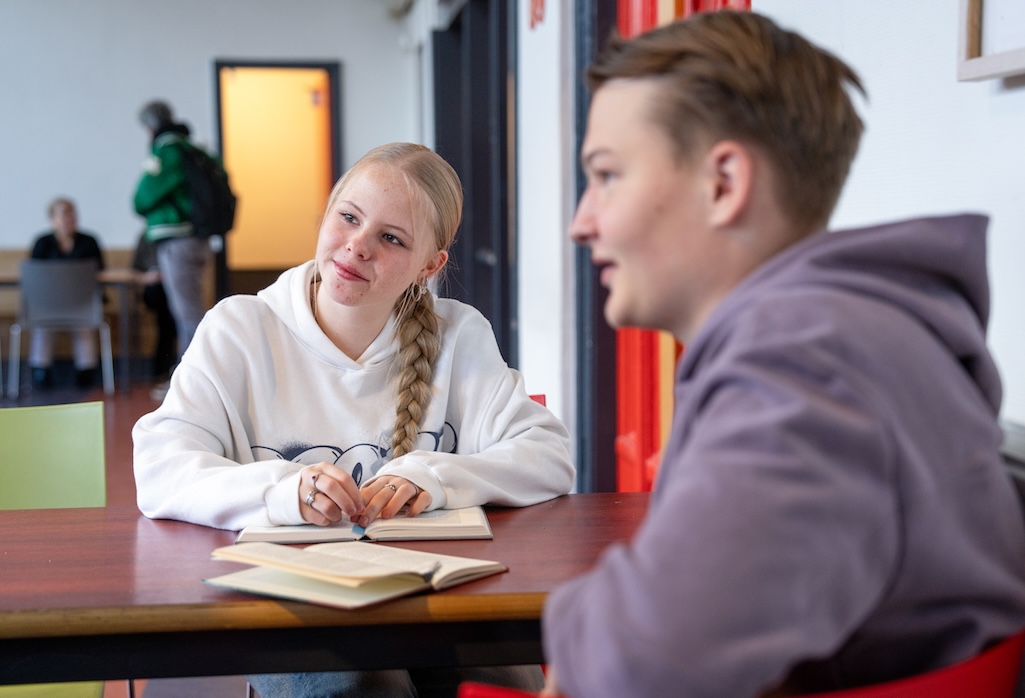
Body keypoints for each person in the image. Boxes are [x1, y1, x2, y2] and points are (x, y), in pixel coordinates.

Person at [541, 11, 1025, 698]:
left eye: (606, 175)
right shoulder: (857, 331)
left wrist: (579, 631)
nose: (581, 222)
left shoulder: (800, 361)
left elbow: (641, 663)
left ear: (723, 184)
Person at [133, 142, 575, 697]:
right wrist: (283, 491)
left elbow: (547, 453)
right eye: (349, 217)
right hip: (290, 604)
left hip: (439, 595)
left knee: (502, 681)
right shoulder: (238, 329)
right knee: (366, 685)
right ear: (326, 212)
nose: (357, 245)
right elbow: (160, 467)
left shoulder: (459, 335)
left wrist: (434, 477)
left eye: (392, 238)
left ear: (430, 265)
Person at [132, 99, 212, 398]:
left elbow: (141, 198)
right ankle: (195, 379)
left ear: (150, 126)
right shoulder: (193, 148)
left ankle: (191, 385)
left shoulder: (167, 151)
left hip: (178, 242)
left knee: (187, 314)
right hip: (199, 240)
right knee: (190, 311)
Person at [27, 196, 105, 388]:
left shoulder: (89, 241)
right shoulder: (42, 243)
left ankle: (86, 371)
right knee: (42, 325)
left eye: (71, 213)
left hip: (82, 302)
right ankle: (41, 370)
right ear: (52, 219)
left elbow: (100, 272)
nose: (68, 218)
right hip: (49, 304)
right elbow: (35, 276)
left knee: (84, 324)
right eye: (63, 214)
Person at [131, 231, 178, 382]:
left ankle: (162, 369)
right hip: (155, 289)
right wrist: (147, 278)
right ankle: (166, 368)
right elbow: (134, 271)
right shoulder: (146, 237)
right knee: (166, 310)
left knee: (170, 312)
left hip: (175, 288)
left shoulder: (179, 236)